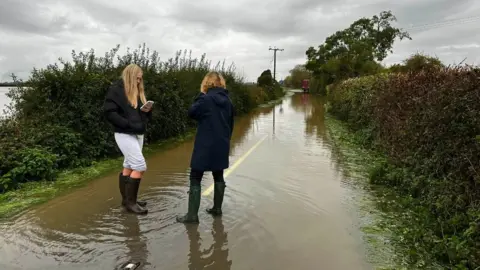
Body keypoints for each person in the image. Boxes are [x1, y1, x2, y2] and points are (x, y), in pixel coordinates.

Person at [176, 71, 235, 224]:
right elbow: (231, 125)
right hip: (222, 143)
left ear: (206, 83)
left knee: (195, 177)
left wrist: (201, 95)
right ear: (221, 83)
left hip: (205, 145)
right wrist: (225, 141)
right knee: (218, 175)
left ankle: (192, 216)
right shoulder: (228, 101)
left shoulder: (205, 99)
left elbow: (192, 112)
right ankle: (217, 209)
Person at [103, 63, 153, 215]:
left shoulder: (137, 91)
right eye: (137, 79)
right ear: (130, 76)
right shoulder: (116, 90)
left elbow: (139, 115)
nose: (139, 82)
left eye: (140, 79)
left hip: (138, 133)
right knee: (139, 166)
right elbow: (109, 113)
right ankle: (130, 204)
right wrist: (128, 125)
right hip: (124, 134)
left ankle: (128, 201)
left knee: (129, 166)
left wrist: (147, 113)